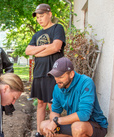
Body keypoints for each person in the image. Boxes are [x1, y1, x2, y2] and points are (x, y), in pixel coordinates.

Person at [39, 57, 108, 137]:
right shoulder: (57, 88)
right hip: (73, 124)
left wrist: (56, 121)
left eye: (61, 77)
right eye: (55, 76)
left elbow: (84, 115)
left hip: (95, 126)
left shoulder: (86, 83)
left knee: (78, 128)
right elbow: (55, 111)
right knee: (43, 126)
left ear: (71, 74)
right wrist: (52, 123)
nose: (57, 80)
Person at [25, 3, 66, 136]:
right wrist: (46, 48)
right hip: (39, 72)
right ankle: (39, 132)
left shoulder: (57, 28)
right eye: (37, 17)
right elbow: (28, 50)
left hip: (53, 73)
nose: (39, 19)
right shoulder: (37, 34)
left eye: (42, 16)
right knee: (41, 103)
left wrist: (37, 51)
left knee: (52, 104)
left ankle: (52, 132)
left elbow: (56, 47)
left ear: (49, 14)